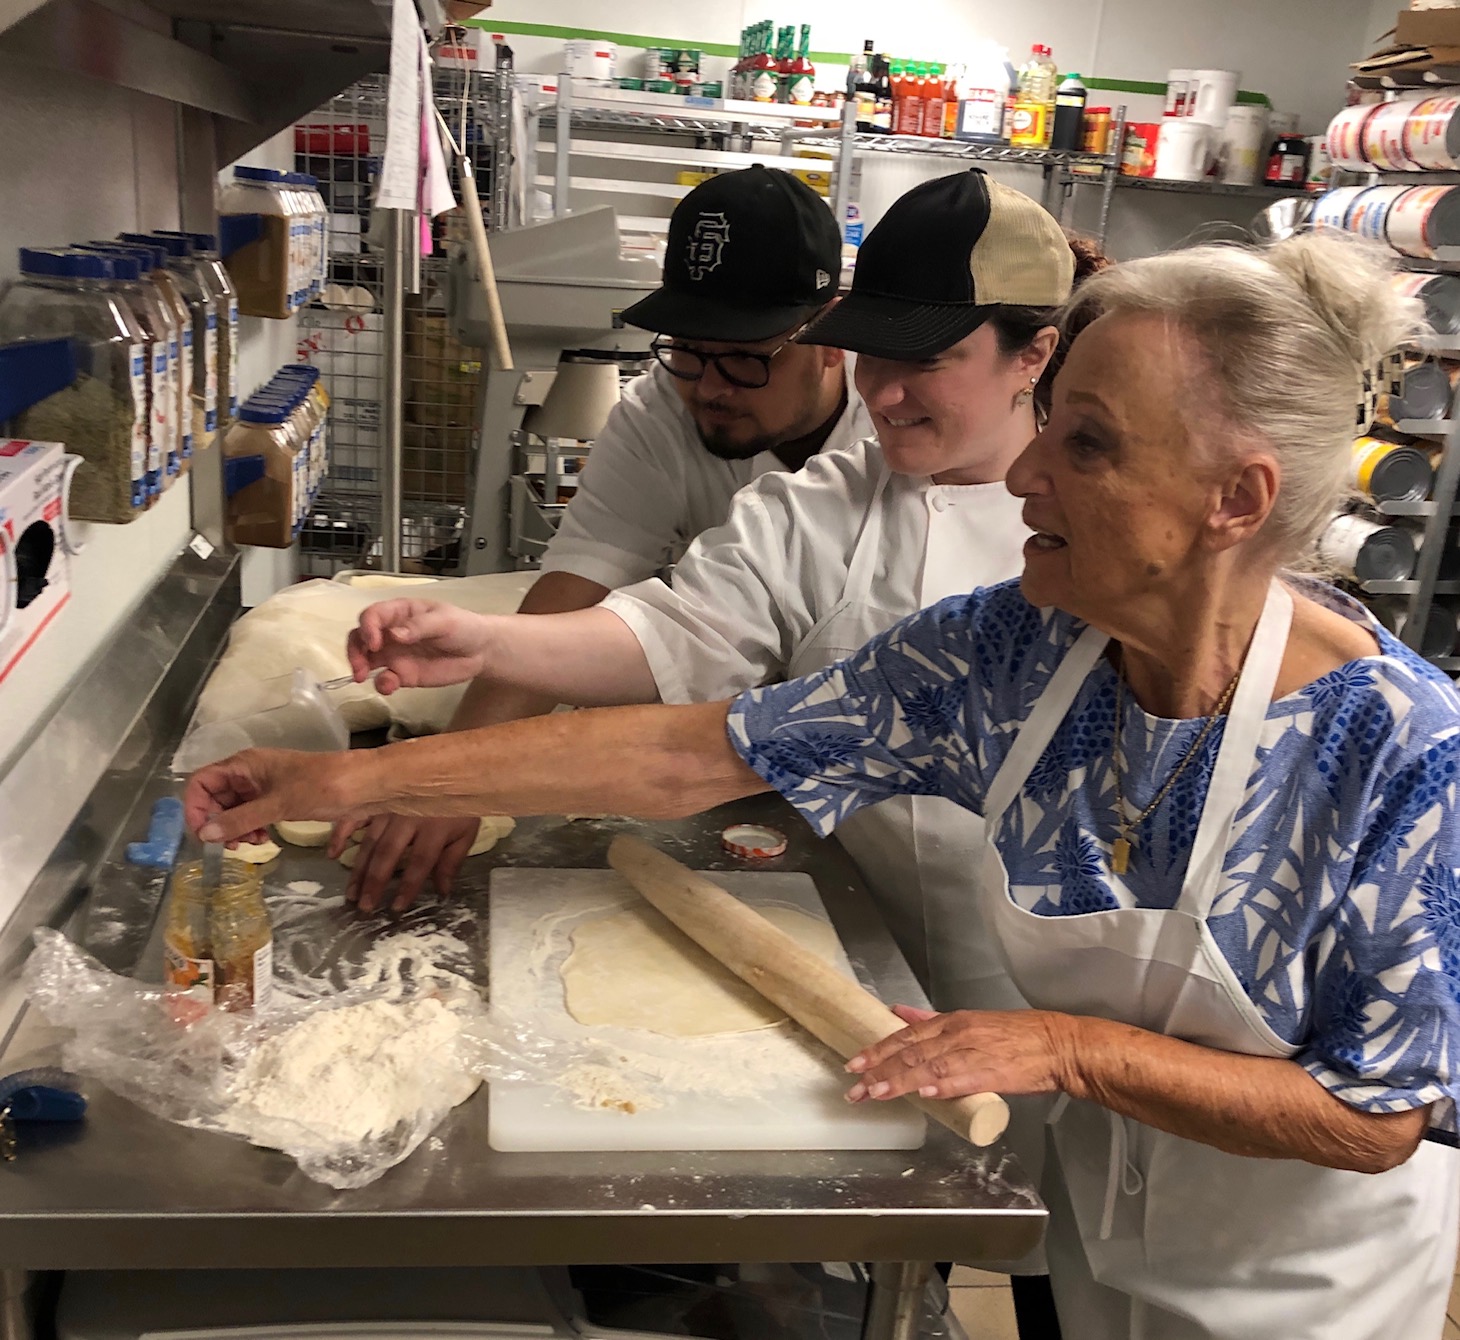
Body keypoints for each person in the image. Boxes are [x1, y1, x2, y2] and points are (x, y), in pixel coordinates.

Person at [186, 230, 1460, 1338]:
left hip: (1302, 1287)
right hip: (1087, 1232)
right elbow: (696, 746)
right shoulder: (1015, 652)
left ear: (1231, 499)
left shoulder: (1400, 755)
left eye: (1083, 443)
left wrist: (1068, 1046)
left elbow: (1370, 1117)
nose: (1023, 476)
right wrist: (357, 779)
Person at [344, 171, 1101, 1338]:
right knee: (902, 1209)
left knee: (1048, 1235)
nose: (886, 393)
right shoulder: (831, 496)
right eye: (874, 354)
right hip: (860, 930)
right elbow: (670, 629)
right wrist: (482, 640)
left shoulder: (1093, 512)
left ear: (1030, 355)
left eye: (925, 361)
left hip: (1058, 970)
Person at [341, 163, 871, 893]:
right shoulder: (660, 412)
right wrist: (453, 776)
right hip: (709, 745)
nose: (709, 389)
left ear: (830, 334)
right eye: (687, 350)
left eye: (748, 360)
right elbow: (574, 593)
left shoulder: (890, 445)